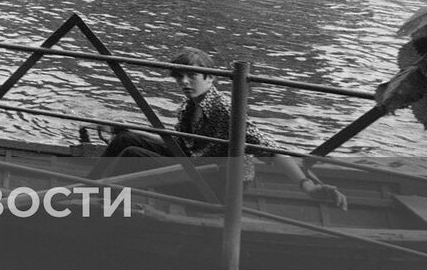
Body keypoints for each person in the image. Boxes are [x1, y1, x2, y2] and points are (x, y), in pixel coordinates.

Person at [90, 48, 347, 208]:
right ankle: (88, 186)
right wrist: (126, 131)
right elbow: (181, 146)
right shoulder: (190, 105)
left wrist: (307, 186)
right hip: (196, 165)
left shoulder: (224, 110)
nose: (184, 82)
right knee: (125, 139)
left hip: (216, 186)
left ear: (210, 77)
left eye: (192, 76)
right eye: (180, 77)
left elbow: (270, 148)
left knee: (134, 156)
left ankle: (101, 201)